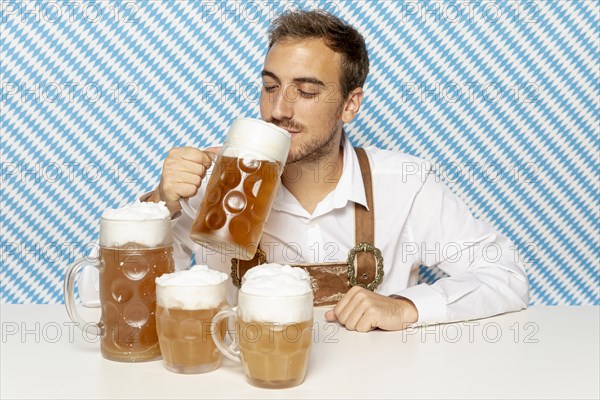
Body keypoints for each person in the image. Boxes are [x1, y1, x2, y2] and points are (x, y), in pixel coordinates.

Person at [80, 10, 529, 332]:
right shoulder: (218, 184)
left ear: (350, 104)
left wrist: (407, 306)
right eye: (270, 87)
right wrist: (162, 204)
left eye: (306, 92)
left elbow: (506, 277)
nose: (279, 110)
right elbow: (104, 301)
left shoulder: (405, 184)